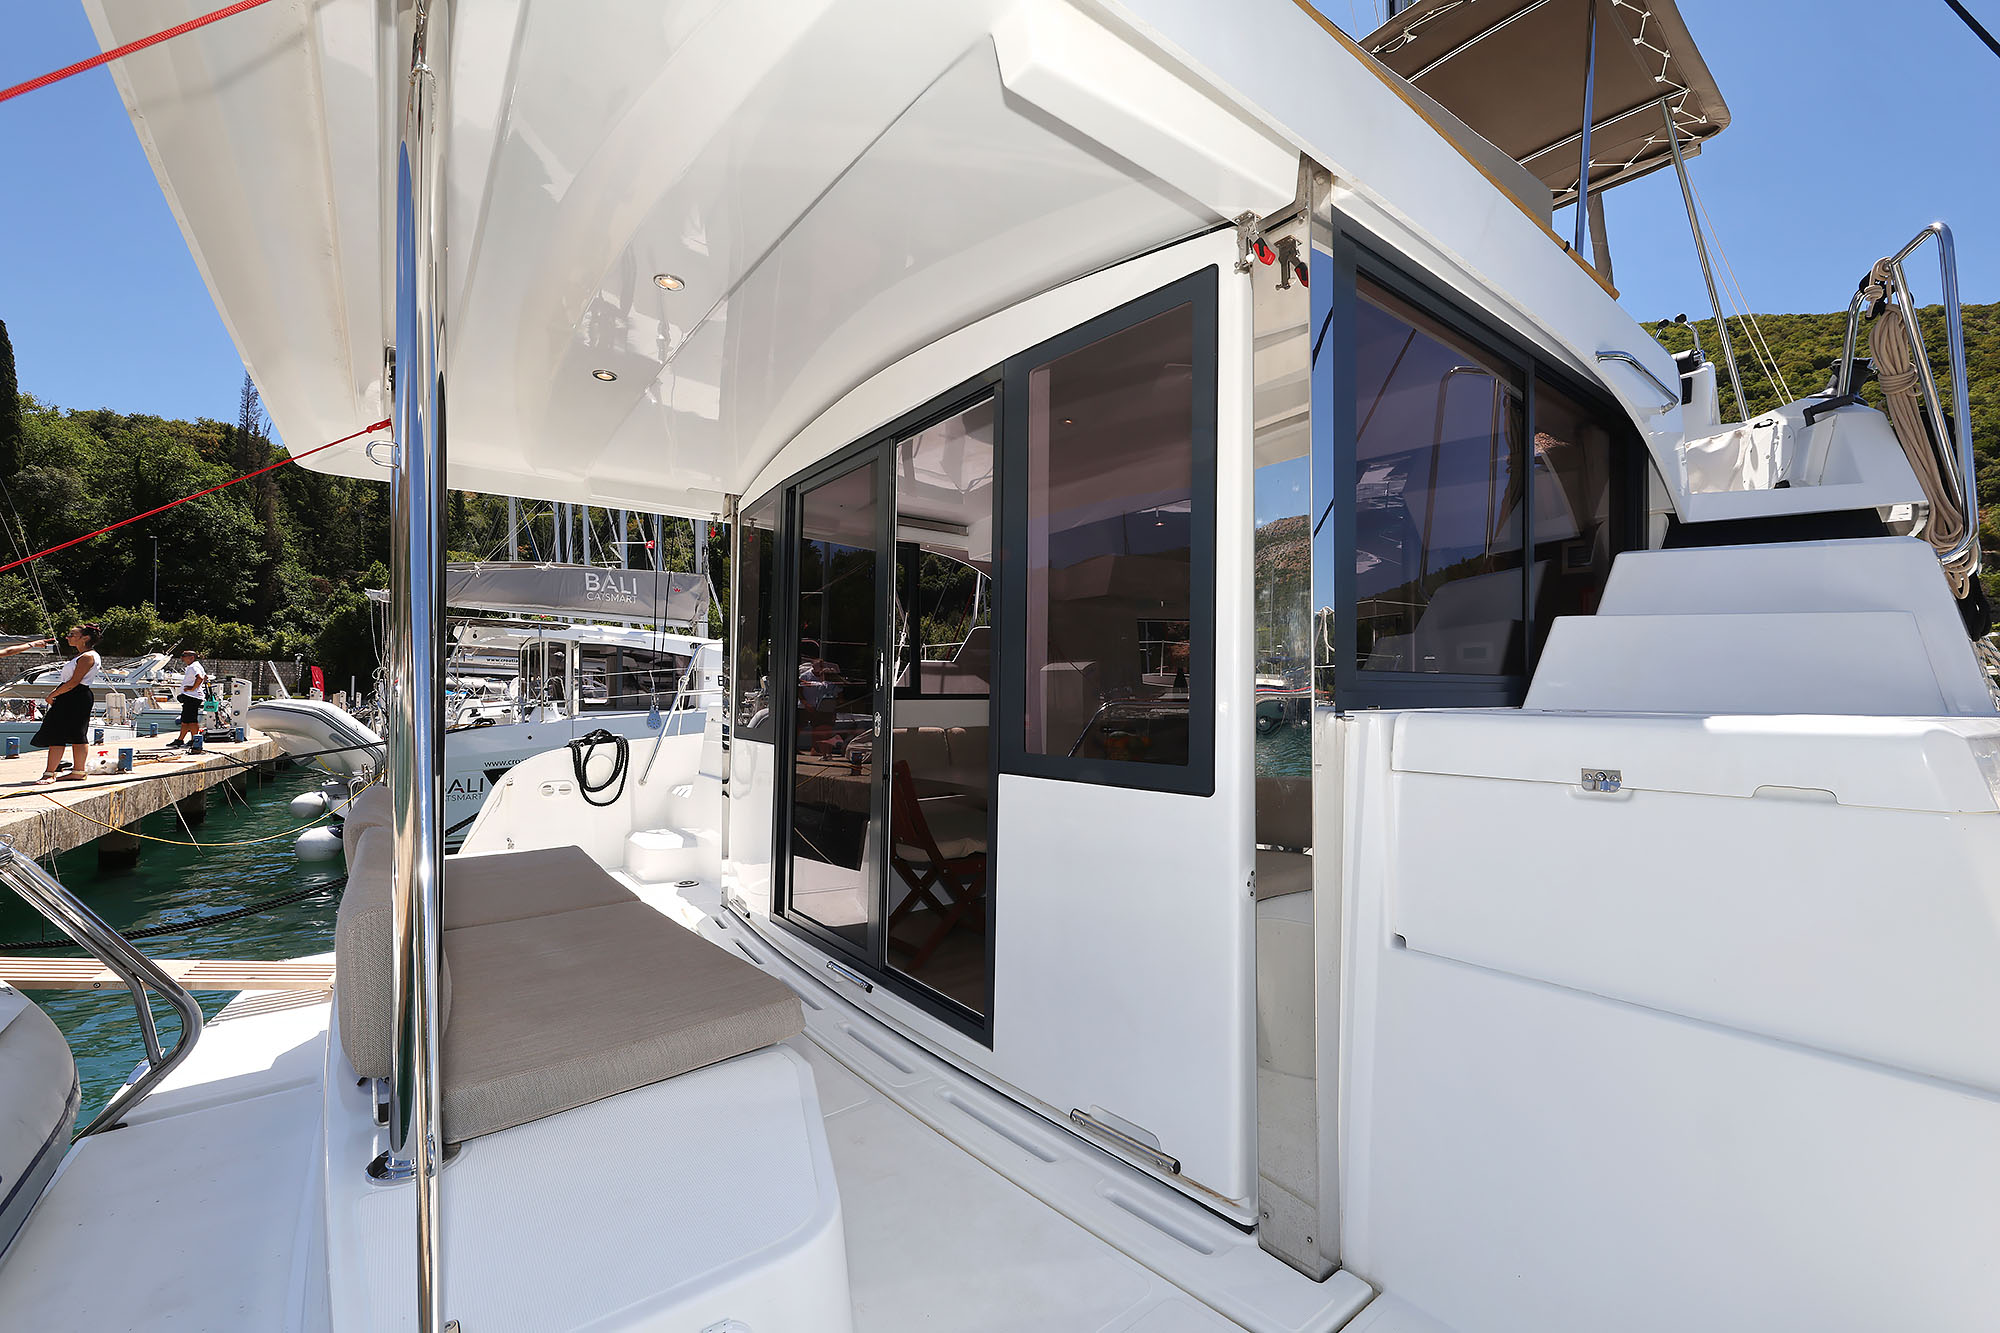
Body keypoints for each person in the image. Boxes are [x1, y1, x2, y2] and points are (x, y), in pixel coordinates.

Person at [32, 624, 101, 784]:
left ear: (85, 638)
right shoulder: (82, 655)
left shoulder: (88, 657)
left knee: (64, 733)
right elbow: (69, 681)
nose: (67, 637)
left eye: (72, 634)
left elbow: (74, 682)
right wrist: (58, 692)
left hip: (76, 695)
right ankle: (76, 771)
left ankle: (51, 773)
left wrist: (53, 695)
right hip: (74, 695)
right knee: (69, 733)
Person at [168, 646, 209, 748]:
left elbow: (200, 678)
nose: (182, 658)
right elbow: (205, 677)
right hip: (193, 697)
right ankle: (182, 739)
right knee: (186, 721)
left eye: (184, 656)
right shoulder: (198, 666)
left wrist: (192, 688)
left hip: (191, 697)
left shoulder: (192, 667)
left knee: (190, 721)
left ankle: (192, 739)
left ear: (191, 657)